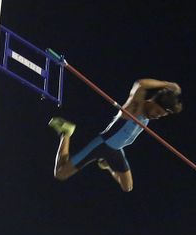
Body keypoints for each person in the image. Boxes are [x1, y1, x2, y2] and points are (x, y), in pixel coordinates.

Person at [49, 78, 183, 193]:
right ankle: (66, 133)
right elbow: (141, 84)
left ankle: (106, 164)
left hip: (116, 150)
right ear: (152, 101)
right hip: (101, 145)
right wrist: (166, 84)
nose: (156, 116)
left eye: (161, 115)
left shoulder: (147, 116)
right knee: (60, 174)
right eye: (157, 111)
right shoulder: (135, 107)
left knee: (128, 187)